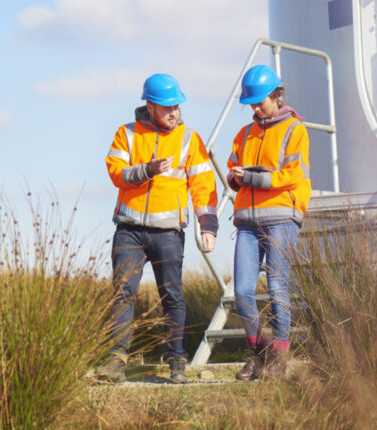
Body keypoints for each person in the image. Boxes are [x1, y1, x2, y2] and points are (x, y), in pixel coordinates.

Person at [98, 73, 218, 383]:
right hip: (129, 230)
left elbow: (203, 185)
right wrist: (147, 170)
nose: (173, 112)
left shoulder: (189, 138)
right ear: (149, 106)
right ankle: (116, 360)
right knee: (122, 294)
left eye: (176, 106)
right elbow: (116, 173)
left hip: (168, 233)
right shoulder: (126, 134)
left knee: (172, 296)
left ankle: (177, 362)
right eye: (166, 107)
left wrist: (208, 225)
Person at [227, 65, 310, 380]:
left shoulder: (295, 130)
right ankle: (258, 355)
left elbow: (293, 175)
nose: (256, 108)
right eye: (251, 103)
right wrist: (236, 178)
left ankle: (278, 359)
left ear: (276, 95)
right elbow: (233, 168)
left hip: (282, 218)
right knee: (242, 292)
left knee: (277, 288)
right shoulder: (243, 134)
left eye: (260, 101)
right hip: (247, 222)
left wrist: (251, 177)